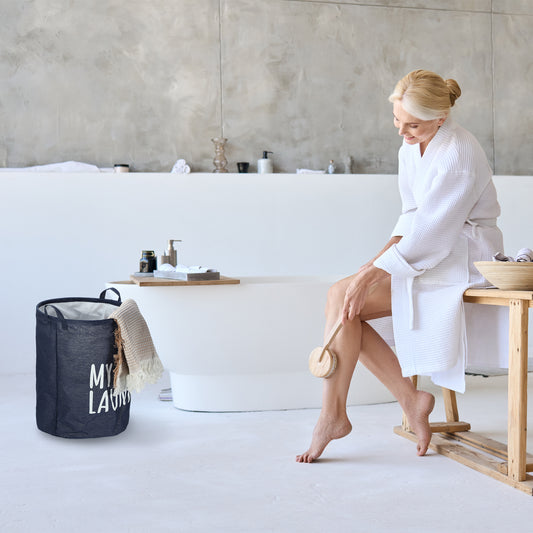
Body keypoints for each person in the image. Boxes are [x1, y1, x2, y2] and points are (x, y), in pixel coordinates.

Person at [296, 69, 504, 463]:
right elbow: (411, 215)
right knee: (342, 297)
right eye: (397, 120)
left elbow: (433, 230)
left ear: (440, 118)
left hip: (464, 257)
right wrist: (373, 264)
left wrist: (374, 274)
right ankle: (392, 402)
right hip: (430, 249)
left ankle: (342, 414)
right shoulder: (411, 147)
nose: (402, 132)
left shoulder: (458, 152)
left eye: (413, 125)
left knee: (345, 297)